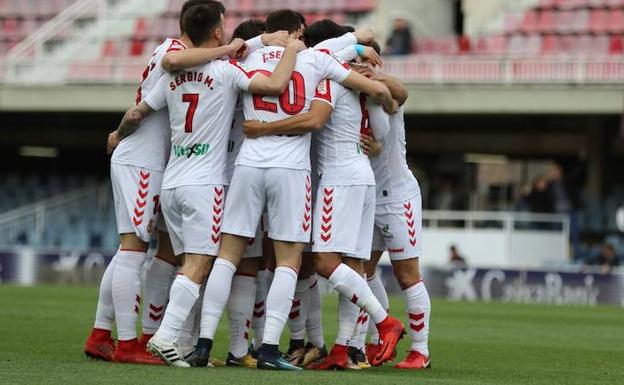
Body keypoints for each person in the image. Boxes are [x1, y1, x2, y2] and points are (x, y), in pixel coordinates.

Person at [190, 9, 400, 371]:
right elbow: (379, 89)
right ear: (299, 32)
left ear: (268, 32)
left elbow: (219, 64)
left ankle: (204, 345)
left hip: (248, 165)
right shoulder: (317, 58)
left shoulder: (247, 56)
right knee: (290, 262)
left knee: (227, 257)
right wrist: (374, 77)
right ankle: (271, 349)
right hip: (292, 170)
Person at [109, 3, 304, 367]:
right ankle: (166, 336)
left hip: (172, 180)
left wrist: (118, 135)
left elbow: (137, 113)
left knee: (185, 264)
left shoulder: (171, 74)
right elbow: (276, 86)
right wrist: (291, 49)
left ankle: (178, 344)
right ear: (217, 32)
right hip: (206, 183)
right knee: (200, 264)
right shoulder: (228, 72)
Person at [84, 0, 234, 365]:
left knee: (134, 253)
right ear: (213, 28)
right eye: (223, 26)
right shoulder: (173, 52)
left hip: (156, 164)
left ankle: (104, 333)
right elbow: (141, 108)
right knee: (133, 252)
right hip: (143, 161)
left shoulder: (174, 51)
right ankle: (128, 344)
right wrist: (119, 135)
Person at [354, 63, 432, 369]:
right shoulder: (348, 94)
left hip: (398, 198)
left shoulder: (385, 94)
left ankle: (421, 351)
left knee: (407, 274)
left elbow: (402, 92)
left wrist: (376, 76)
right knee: (363, 271)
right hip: (368, 195)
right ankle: (378, 337)